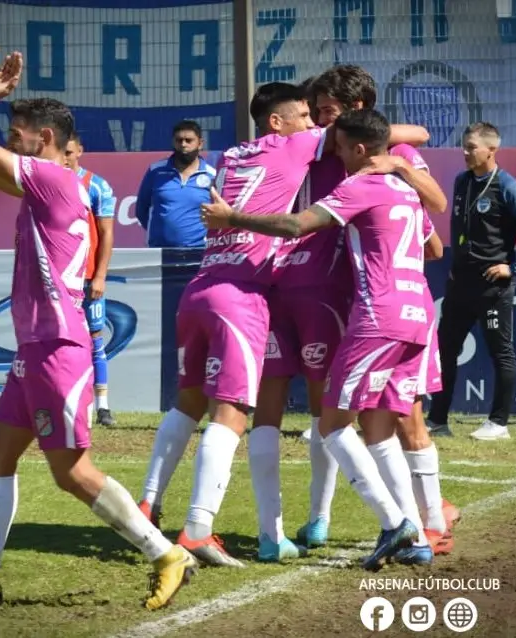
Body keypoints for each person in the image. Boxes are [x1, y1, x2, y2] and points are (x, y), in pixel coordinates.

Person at [0, 31, 196, 611]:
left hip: (57, 346)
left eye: (17, 134)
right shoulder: (53, 185)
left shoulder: (50, 180)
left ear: (43, 138)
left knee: (72, 472)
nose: (10, 142)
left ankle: (166, 554)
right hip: (37, 347)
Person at [202, 108, 439, 569]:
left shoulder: (359, 184)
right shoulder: (405, 187)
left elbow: (296, 225)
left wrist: (233, 217)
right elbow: (436, 244)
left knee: (331, 423)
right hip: (418, 315)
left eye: (341, 147)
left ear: (360, 149)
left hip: (378, 317)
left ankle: (395, 524)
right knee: (381, 425)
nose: (336, 155)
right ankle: (417, 536)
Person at [137, 82, 327, 567]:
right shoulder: (293, 145)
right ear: (277, 123)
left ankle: (148, 503)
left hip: (199, 287)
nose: (313, 123)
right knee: (233, 413)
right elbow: (374, 133)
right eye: (305, 116)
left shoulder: (232, 156)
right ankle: (198, 529)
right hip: (240, 294)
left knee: (187, 402)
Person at [291, 64, 459, 556]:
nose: (320, 121)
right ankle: (336, 520)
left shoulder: (392, 157)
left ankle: (427, 522)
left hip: (384, 307)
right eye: (315, 111)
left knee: (400, 417)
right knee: (367, 419)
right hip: (356, 301)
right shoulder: (328, 149)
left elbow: (436, 213)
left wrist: (400, 168)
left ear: (358, 111)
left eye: (328, 111)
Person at [427, 122, 516, 441]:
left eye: (471, 147)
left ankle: (498, 423)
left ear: (492, 150)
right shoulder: (461, 181)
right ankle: (437, 420)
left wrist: (513, 267)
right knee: (444, 350)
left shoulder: (508, 186)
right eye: (463, 146)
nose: (465, 152)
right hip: (459, 284)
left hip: (492, 287)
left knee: (500, 353)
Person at [63, 133, 117, 427]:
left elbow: (106, 233)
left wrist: (100, 275)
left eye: (69, 152)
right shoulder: (48, 182)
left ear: (80, 151)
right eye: (61, 152)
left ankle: (103, 407)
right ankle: (67, 403)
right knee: (61, 342)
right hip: (59, 280)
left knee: (96, 340)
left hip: (86, 279)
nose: (65, 158)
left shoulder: (96, 185)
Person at [135, 121, 215, 248]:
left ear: (200, 144)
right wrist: (159, 235)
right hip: (158, 250)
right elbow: (141, 210)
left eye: (188, 140)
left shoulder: (212, 175)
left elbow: (219, 214)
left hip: (199, 250)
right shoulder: (155, 171)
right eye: (179, 140)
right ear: (173, 142)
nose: (183, 144)